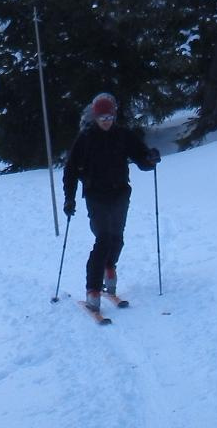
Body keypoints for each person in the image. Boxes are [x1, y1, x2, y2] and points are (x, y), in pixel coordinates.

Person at [62, 92, 160, 314]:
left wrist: (151, 159)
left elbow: (141, 158)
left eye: (109, 117)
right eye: (102, 117)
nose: (106, 121)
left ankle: (110, 267)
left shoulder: (123, 135)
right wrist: (69, 198)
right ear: (95, 117)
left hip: (120, 193)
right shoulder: (85, 138)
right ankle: (93, 290)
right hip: (96, 196)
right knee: (103, 239)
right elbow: (70, 170)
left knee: (117, 238)